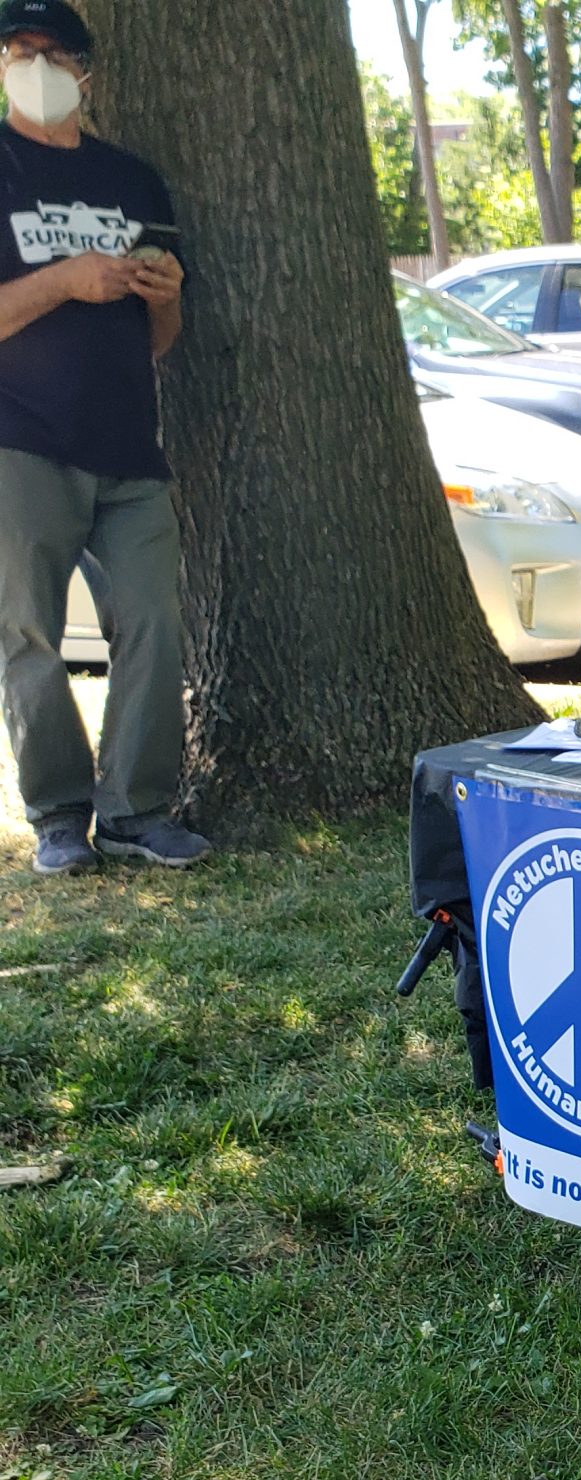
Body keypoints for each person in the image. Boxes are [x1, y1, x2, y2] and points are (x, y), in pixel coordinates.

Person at [0, 0, 207, 876]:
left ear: (86, 70)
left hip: (130, 445)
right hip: (21, 441)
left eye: (52, 50)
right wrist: (64, 280)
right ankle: (59, 814)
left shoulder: (133, 179)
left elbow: (159, 341)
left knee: (156, 622)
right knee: (30, 635)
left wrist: (163, 297)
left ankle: (135, 809)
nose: (35, 63)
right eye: (18, 49)